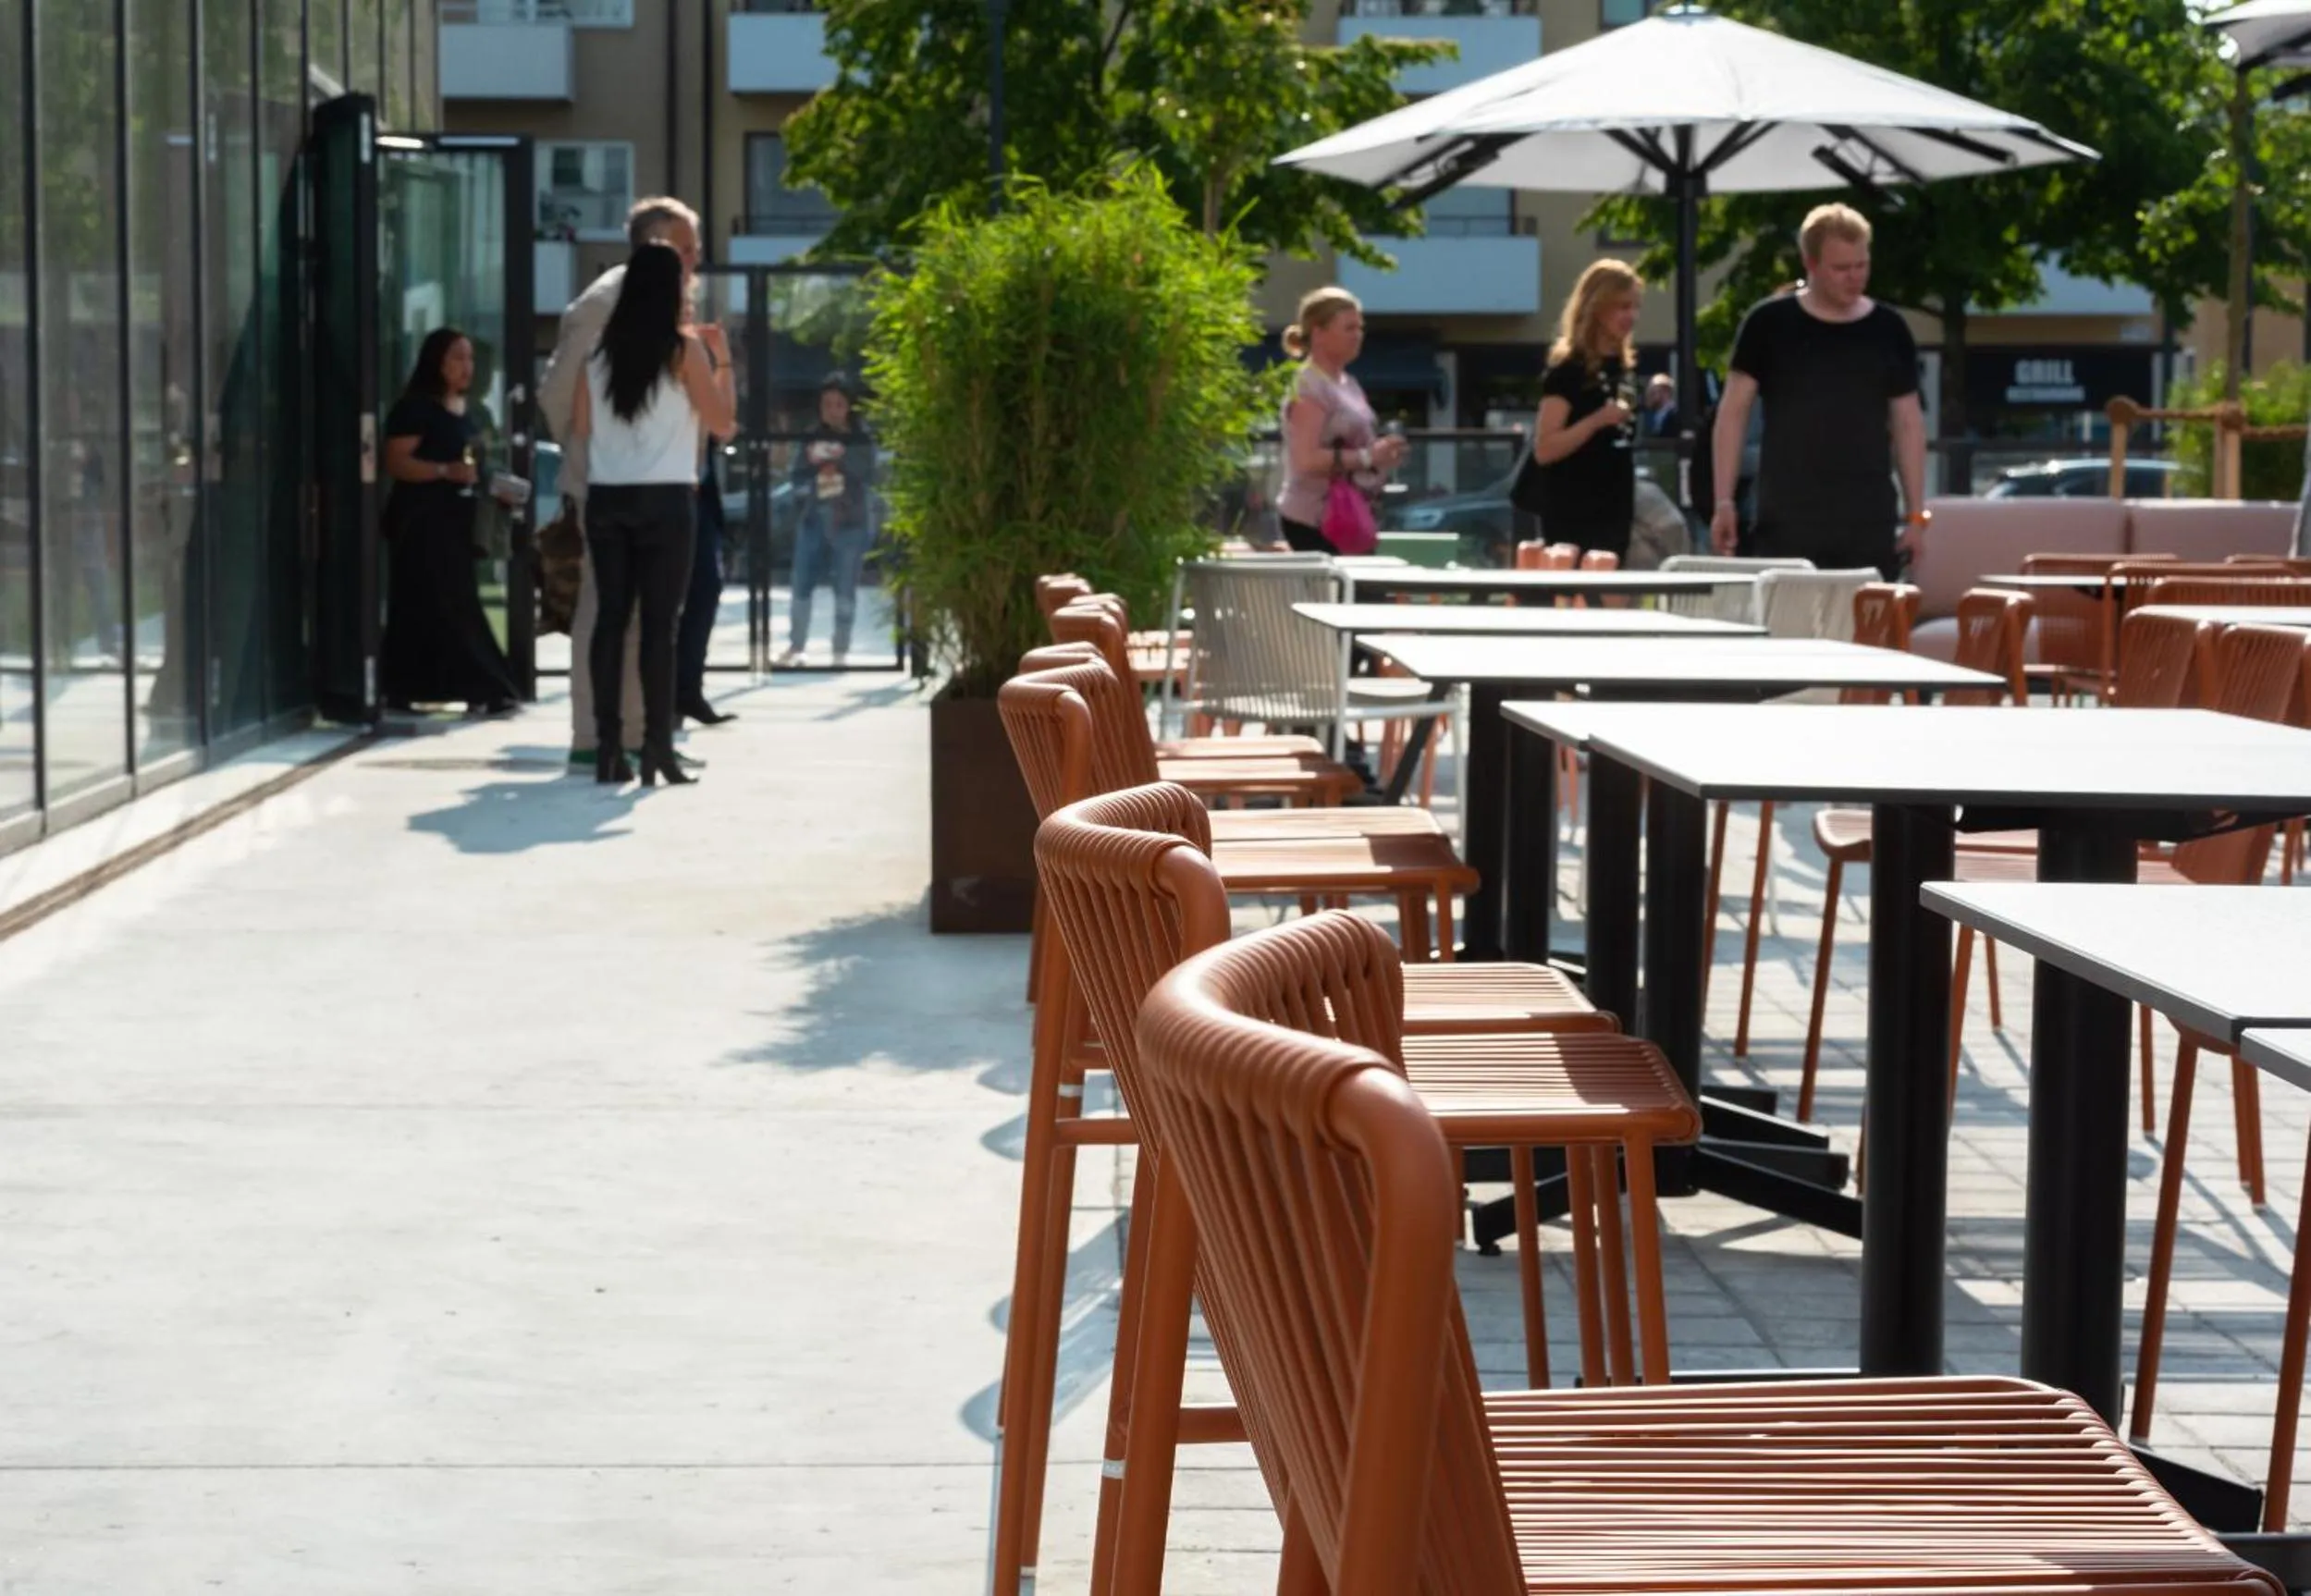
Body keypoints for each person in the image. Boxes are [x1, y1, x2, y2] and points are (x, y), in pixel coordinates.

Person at [540, 197, 701, 772]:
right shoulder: (605, 301)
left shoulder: (651, 298)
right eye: (685, 249)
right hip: (609, 484)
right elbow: (560, 391)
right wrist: (593, 458)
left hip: (648, 481)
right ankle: (597, 737)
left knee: (642, 619)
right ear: (653, 243)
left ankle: (637, 736)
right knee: (607, 613)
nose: (695, 262)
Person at [569, 242, 737, 786]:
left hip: (607, 497)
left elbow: (582, 427)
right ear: (674, 289)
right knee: (660, 627)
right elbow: (723, 424)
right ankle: (657, 752)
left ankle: (609, 748)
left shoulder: (596, 352)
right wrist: (724, 359)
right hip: (666, 499)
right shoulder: (683, 351)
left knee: (611, 620)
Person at [1709, 203, 1928, 577]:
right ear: (1810, 264)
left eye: (1862, 265)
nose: (1854, 277)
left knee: (1864, 632)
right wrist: (1724, 501)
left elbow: (1908, 424)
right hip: (1788, 518)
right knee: (1790, 630)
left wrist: (1916, 515)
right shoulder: (1769, 323)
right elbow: (1732, 413)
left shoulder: (1888, 329)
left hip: (1867, 517)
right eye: (1841, 268)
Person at [377, 327, 522, 718]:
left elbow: (476, 463)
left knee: (451, 602)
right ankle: (482, 686)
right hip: (421, 523)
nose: (466, 367)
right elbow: (396, 462)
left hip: (457, 522)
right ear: (436, 362)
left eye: (470, 359)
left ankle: (461, 686)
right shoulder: (415, 409)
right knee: (431, 604)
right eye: (457, 358)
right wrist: (443, 470)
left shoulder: (470, 411)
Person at [1275, 287, 1406, 555]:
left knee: (1363, 593)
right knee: (1349, 594)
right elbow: (1306, 459)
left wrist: (1382, 455)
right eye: (1349, 328)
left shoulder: (1349, 384)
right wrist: (1368, 457)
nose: (1358, 335)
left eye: (1360, 327)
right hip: (1315, 517)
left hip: (1351, 512)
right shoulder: (1309, 386)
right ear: (1319, 333)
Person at [1530, 259, 1642, 560]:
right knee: (1582, 598)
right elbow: (1545, 448)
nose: (1631, 316)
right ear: (1597, 306)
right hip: (1574, 508)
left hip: (1616, 503)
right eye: (1623, 306)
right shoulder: (1568, 371)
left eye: (1635, 307)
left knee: (1615, 593)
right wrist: (1596, 421)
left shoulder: (1623, 369)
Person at [780, 373, 879, 667]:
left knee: (845, 586)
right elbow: (796, 475)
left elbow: (870, 474)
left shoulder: (861, 436)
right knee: (801, 583)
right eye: (826, 404)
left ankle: (840, 650)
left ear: (848, 406)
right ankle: (797, 646)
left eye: (838, 404)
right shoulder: (811, 435)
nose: (832, 410)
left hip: (851, 520)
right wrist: (815, 476)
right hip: (814, 517)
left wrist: (840, 460)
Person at [679, 444, 735, 722]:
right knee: (669, 596)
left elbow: (724, 426)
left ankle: (688, 692)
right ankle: (666, 700)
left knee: (705, 588)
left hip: (699, 494)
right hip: (664, 488)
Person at [1641, 374, 1680, 438]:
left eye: (1653, 392)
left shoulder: (1675, 413)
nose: (1650, 395)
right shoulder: (1650, 413)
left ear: (1665, 392)